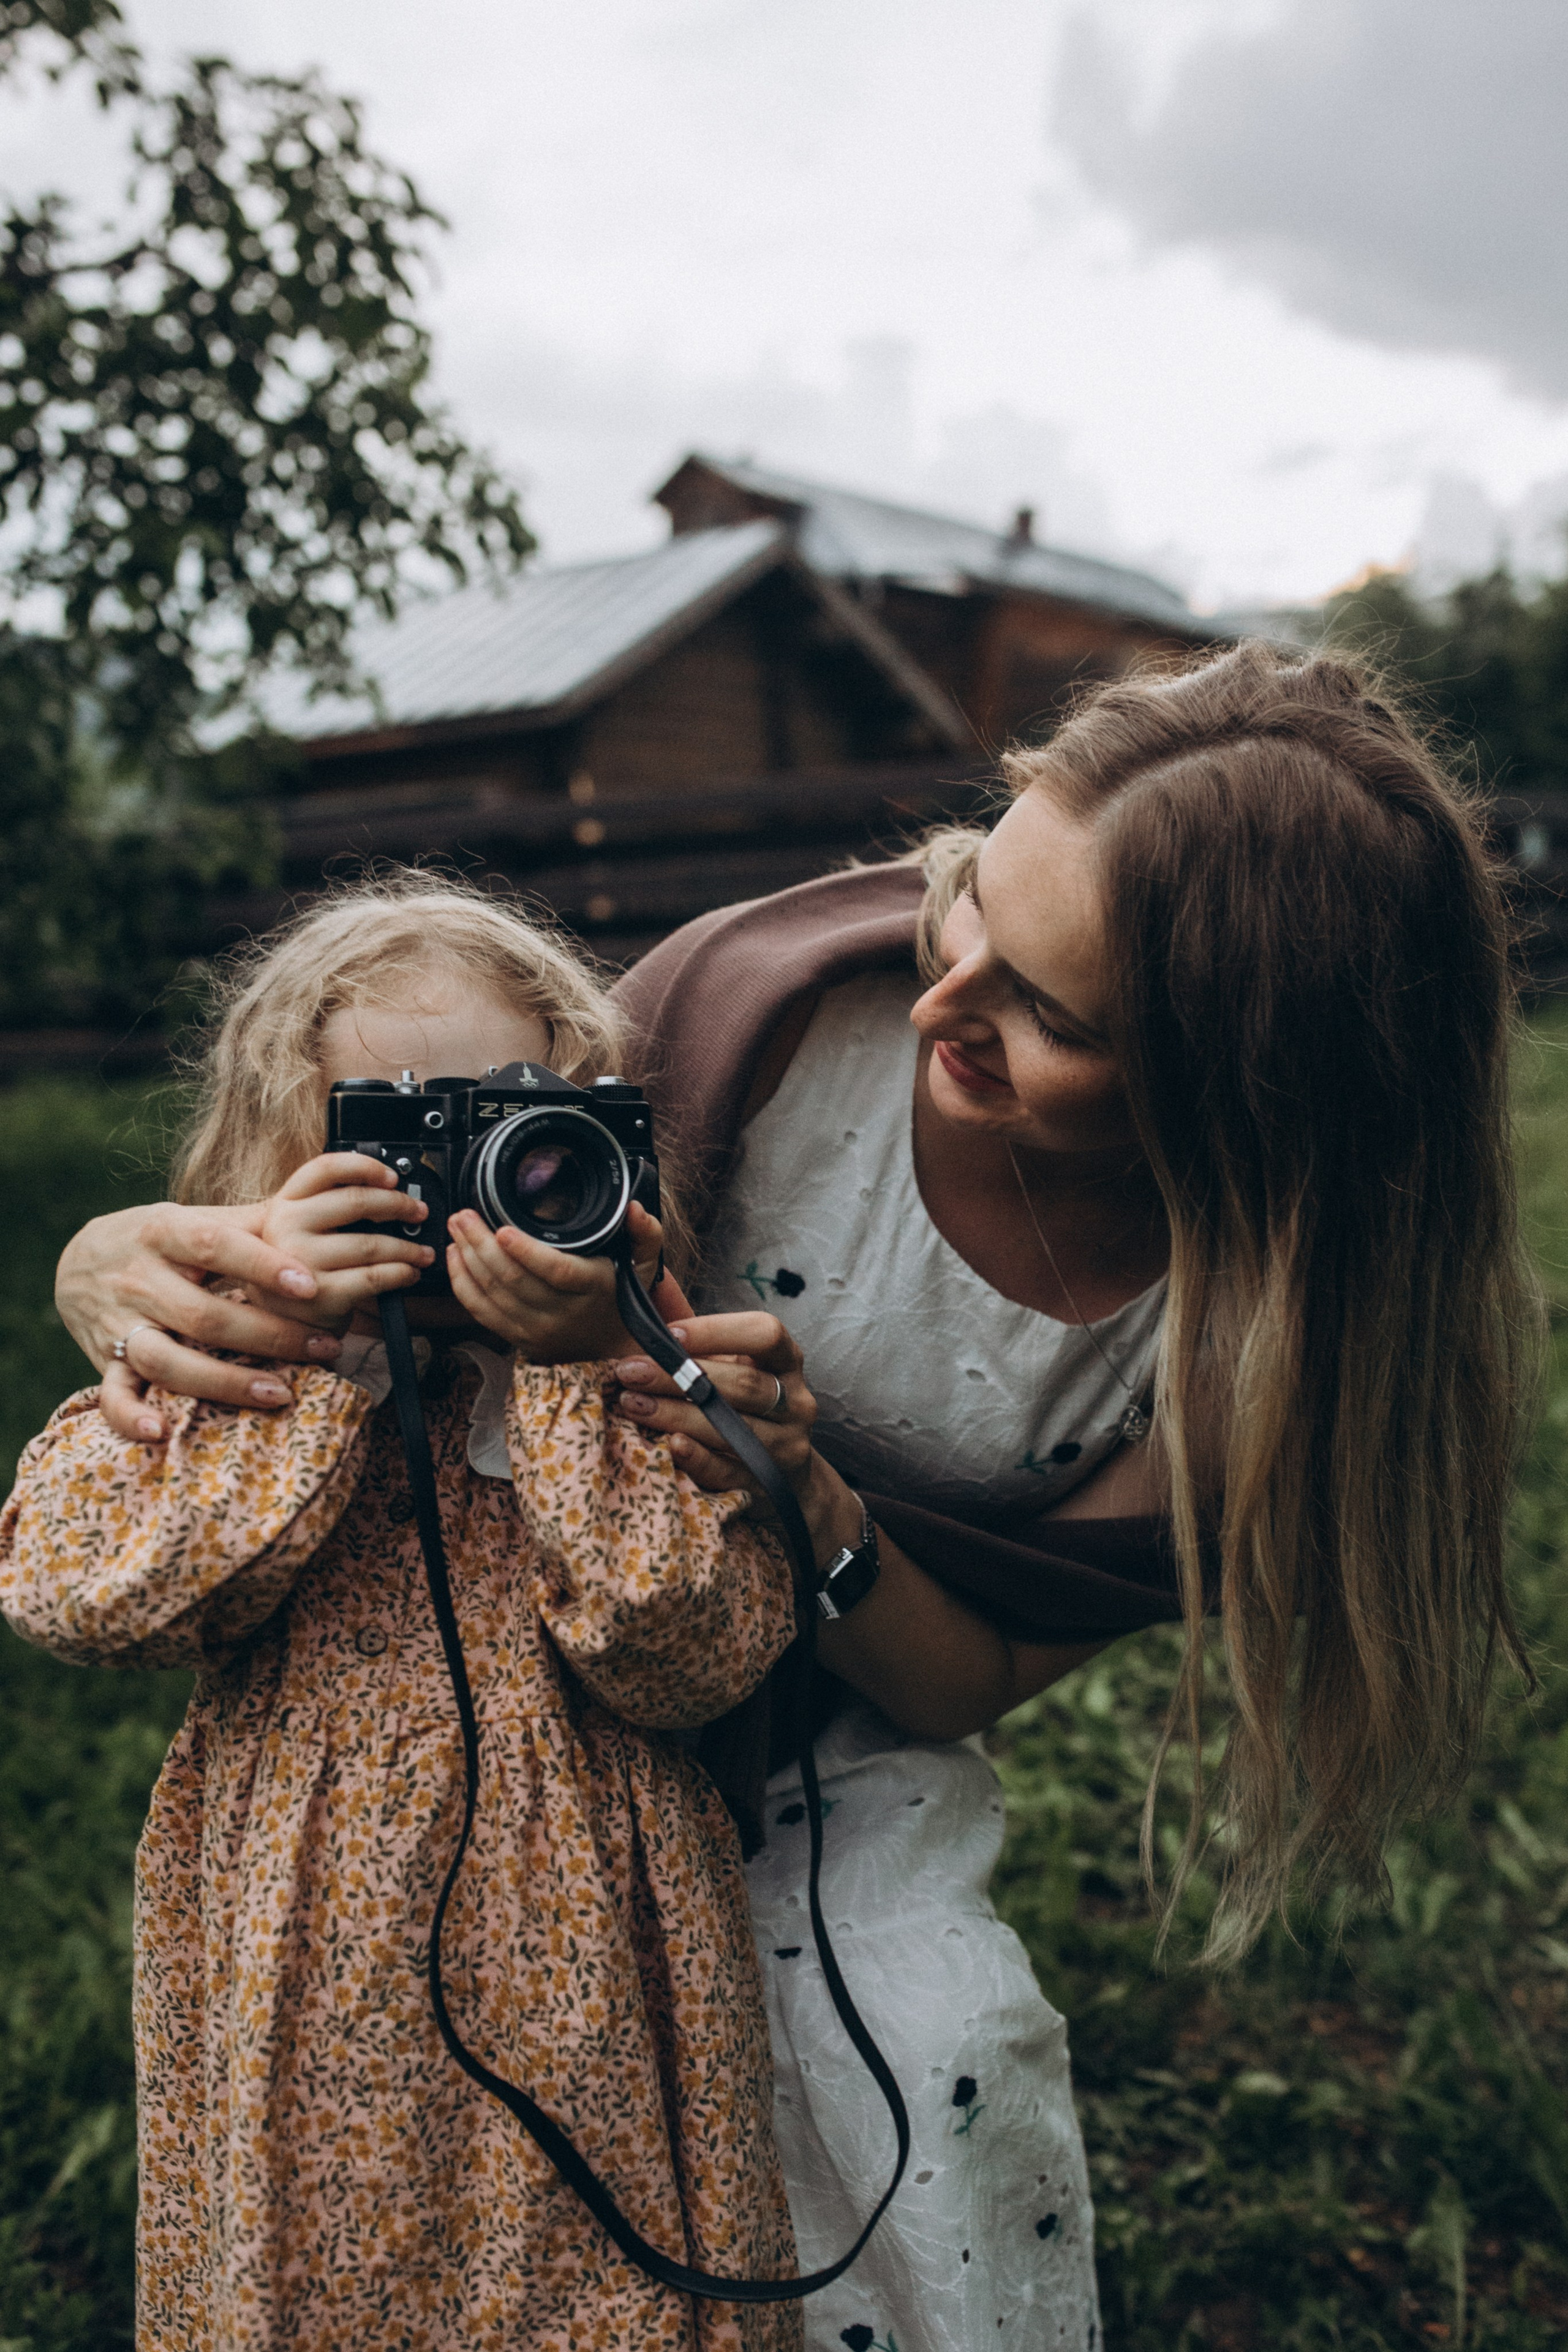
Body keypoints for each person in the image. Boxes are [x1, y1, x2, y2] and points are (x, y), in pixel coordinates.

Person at [53, 643, 1537, 2352]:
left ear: (1252, 1097)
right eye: (973, 899)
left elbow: (966, 1676)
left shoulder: (1266, 1336)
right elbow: (432, 1167)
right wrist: (122, 1259)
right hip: (518, 1680)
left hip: (842, 1726)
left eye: (1048, 1013)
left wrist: (795, 1481)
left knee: (938, 2067)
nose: (940, 998)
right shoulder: (761, 1016)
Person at [4, 880, 838, 2352]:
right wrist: (307, 1349)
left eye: (505, 1126)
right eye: (394, 1140)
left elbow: (688, 1655)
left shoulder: (643, 1396)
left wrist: (588, 1362)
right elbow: (78, 1594)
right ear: (280, 1168)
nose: (459, 1194)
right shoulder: (216, 1383)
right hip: (303, 1951)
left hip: (598, 1956)